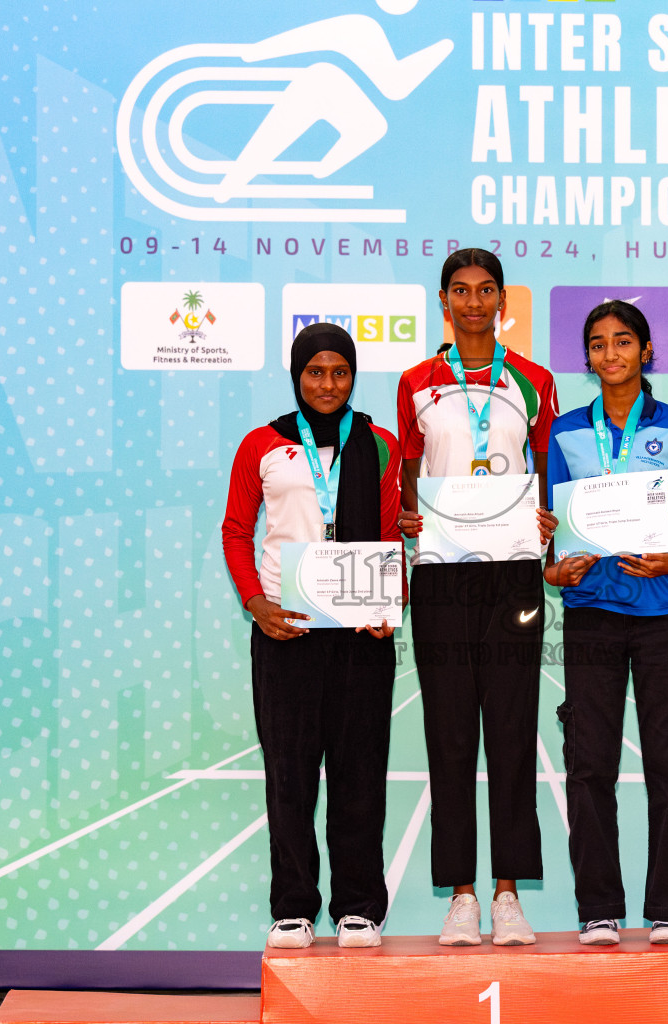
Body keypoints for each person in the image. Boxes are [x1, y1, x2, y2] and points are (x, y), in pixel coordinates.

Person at [221, 323, 403, 950]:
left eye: (340, 372)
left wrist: (389, 598)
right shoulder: (262, 446)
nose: (328, 384)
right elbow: (235, 531)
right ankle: (293, 907)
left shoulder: (380, 444)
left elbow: (387, 536)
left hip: (360, 634)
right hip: (287, 633)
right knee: (290, 775)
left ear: (353, 377)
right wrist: (256, 605)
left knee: (359, 774)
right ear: (297, 376)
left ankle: (359, 907)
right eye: (315, 372)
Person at [396, 248, 559, 946]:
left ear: (501, 299)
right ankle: (461, 893)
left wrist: (552, 521)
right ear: (443, 300)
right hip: (440, 573)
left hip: (512, 572)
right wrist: (410, 517)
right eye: (459, 291)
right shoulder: (415, 382)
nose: (472, 302)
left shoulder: (534, 379)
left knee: (515, 729)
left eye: (484, 290)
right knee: (451, 732)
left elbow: (548, 470)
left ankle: (509, 893)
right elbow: (407, 472)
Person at [542, 300, 668, 946]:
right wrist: (553, 569)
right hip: (591, 612)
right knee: (589, 764)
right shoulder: (563, 433)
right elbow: (553, 530)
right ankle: (599, 910)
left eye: (622, 342)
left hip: (664, 611)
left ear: (646, 351)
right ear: (586, 358)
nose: (609, 354)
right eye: (597, 343)